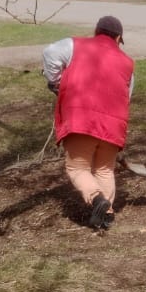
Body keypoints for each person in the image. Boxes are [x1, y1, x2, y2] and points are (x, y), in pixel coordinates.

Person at [42, 16, 134, 229]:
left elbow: (49, 53)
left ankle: (96, 199)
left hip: (81, 121)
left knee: (77, 168)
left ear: (96, 31)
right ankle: (106, 216)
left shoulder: (74, 45)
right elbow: (126, 95)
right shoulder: (127, 62)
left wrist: (56, 81)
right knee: (105, 170)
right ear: (118, 38)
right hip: (113, 126)